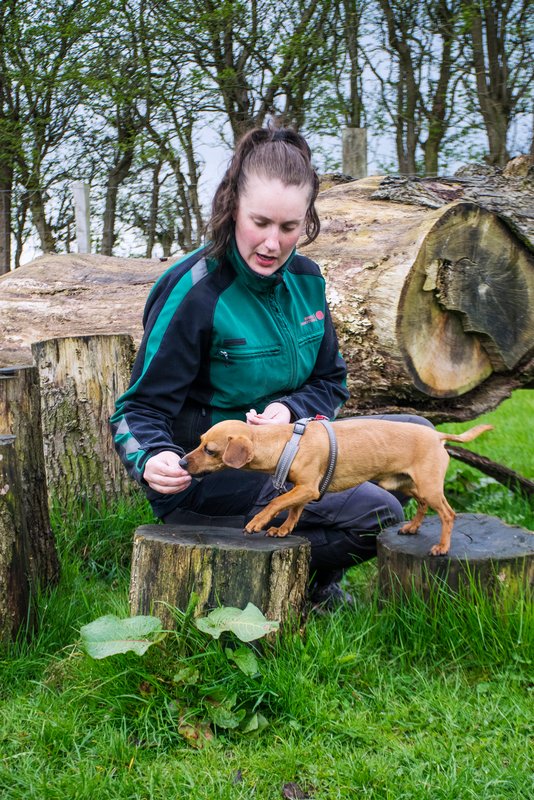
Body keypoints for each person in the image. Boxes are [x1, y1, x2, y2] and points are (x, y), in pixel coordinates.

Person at [111, 126, 432, 608]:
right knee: (379, 515)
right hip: (212, 476)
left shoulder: (307, 280)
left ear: (307, 222)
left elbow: (330, 382)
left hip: (289, 450)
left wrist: (289, 408)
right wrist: (151, 458)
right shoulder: (194, 293)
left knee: (417, 435)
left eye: (289, 228)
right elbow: (134, 412)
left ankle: (311, 579)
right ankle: (286, 585)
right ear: (231, 207)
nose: (272, 243)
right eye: (260, 222)